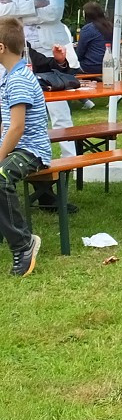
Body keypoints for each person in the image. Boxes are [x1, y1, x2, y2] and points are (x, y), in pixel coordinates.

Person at [0, 0, 77, 211]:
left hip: (48, 53)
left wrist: (19, 9)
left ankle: (69, 171)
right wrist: (36, 6)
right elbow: (2, 14)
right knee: (17, 118)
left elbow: (55, 12)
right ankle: (41, 190)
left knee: (59, 112)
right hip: (19, 53)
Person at [0, 16, 49, 276]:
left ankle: (23, 244)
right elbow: (5, 124)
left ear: (1, 48)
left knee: (0, 177)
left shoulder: (19, 79)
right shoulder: (8, 77)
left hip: (31, 151)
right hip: (15, 148)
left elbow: (17, 128)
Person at [73, 1, 111, 75]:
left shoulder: (88, 29)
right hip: (110, 64)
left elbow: (79, 54)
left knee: (68, 67)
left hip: (91, 66)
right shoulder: (111, 27)